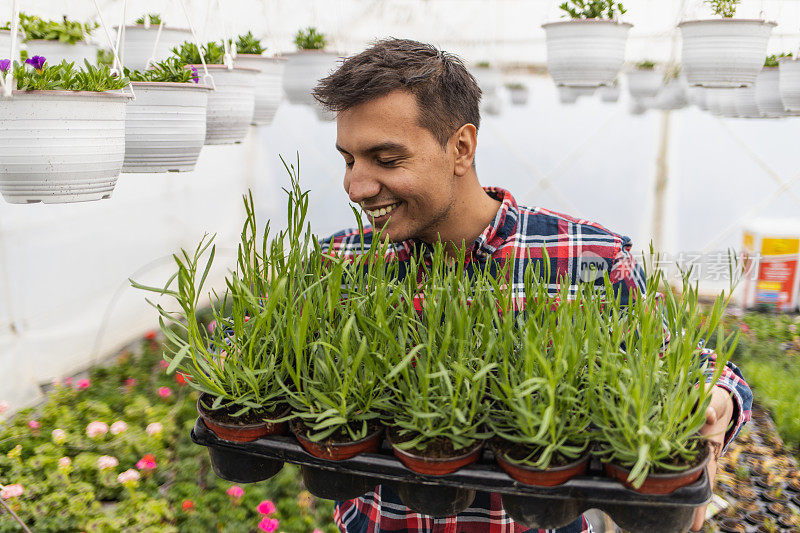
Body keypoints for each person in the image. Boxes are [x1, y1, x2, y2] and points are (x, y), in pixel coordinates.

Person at [313, 38, 752, 533]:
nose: (356, 187)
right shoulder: (339, 262)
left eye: (386, 160)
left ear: (461, 148)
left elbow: (691, 365)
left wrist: (713, 402)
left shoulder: (585, 257)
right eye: (349, 160)